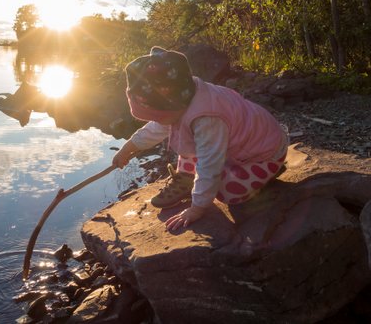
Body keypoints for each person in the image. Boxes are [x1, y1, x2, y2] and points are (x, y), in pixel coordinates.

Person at [112, 47, 289, 231]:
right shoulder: (183, 95)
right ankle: (188, 180)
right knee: (190, 144)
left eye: (158, 116)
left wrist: (197, 208)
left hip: (262, 154)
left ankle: (268, 173)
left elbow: (209, 164)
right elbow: (156, 129)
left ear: (172, 104)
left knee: (226, 193)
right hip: (230, 145)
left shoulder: (207, 118)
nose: (157, 122)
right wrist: (128, 148)